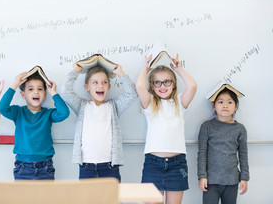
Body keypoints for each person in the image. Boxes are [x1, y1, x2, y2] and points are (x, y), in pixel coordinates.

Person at [135, 54, 197, 204]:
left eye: (167, 82)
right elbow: (139, 86)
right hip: (153, 164)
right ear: (152, 85)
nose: (162, 86)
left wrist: (179, 69)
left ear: (174, 84)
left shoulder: (179, 103)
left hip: (177, 164)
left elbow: (193, 86)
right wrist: (146, 67)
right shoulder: (149, 104)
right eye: (157, 82)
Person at [61, 62, 137, 182]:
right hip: (87, 166)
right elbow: (66, 93)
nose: (100, 86)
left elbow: (132, 94)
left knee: (111, 200)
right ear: (87, 87)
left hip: (109, 167)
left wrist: (120, 73)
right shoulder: (82, 105)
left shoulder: (113, 106)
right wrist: (75, 71)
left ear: (109, 87)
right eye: (95, 82)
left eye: (104, 82)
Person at [0, 71, 69, 180]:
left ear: (45, 94)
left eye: (40, 89)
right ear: (23, 94)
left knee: (46, 197)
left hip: (45, 167)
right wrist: (15, 85)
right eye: (30, 89)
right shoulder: (18, 112)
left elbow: (64, 113)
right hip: (23, 167)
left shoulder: (48, 114)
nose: (36, 92)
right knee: (23, 197)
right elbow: (2, 108)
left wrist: (53, 92)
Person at [197, 87, 249, 204]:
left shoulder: (240, 129)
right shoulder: (206, 126)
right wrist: (202, 176)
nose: (225, 106)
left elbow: (243, 155)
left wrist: (244, 178)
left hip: (232, 181)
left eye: (229, 102)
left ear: (235, 106)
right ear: (213, 106)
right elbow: (202, 153)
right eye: (220, 102)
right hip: (210, 181)